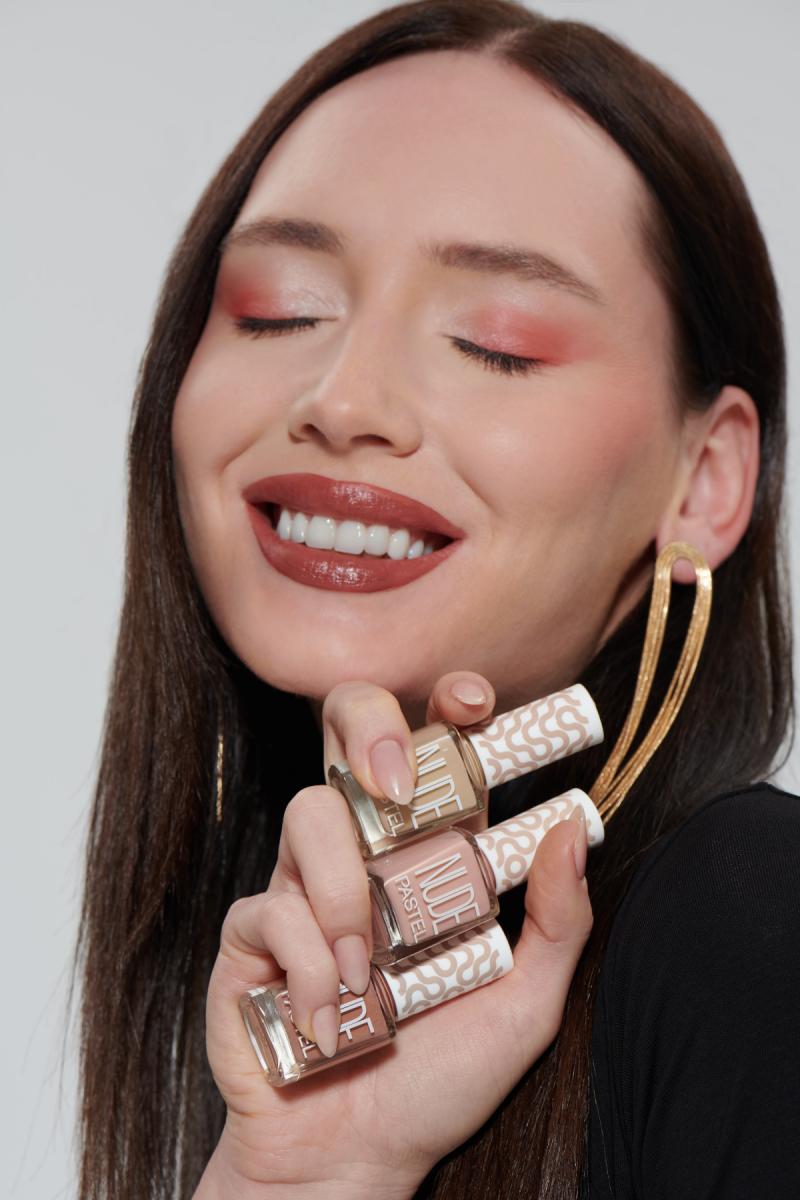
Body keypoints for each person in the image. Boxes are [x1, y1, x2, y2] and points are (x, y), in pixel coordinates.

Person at [75, 2, 799, 1198]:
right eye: (278, 310)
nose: (340, 398)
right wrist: (304, 1180)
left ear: (704, 479)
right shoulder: (289, 1006)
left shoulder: (752, 928)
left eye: (495, 342)